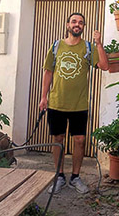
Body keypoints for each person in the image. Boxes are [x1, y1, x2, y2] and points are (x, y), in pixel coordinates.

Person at [39, 12, 109, 194]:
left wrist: (99, 44)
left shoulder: (88, 47)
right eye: (74, 21)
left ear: (83, 27)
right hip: (56, 102)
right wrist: (43, 97)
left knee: (80, 141)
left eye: (81, 23)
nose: (77, 24)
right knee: (58, 139)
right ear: (67, 24)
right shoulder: (56, 46)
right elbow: (48, 72)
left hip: (79, 104)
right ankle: (59, 176)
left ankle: (75, 177)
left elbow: (104, 65)